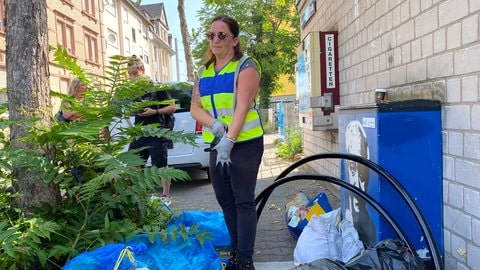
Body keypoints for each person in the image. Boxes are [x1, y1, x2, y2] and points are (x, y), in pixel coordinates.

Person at [190, 15, 264, 270]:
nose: (215, 40)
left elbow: (242, 108)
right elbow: (194, 108)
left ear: (234, 40)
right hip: (216, 142)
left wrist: (229, 141)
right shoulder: (203, 71)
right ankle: (235, 253)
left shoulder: (246, 66)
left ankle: (244, 260)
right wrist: (213, 124)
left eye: (222, 35)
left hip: (245, 143)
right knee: (226, 201)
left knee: (243, 199)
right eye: (211, 35)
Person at [127, 55, 176, 205]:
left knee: (161, 165)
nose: (132, 77)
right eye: (129, 74)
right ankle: (140, 195)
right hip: (139, 132)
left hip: (157, 132)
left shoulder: (156, 87)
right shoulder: (132, 91)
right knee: (133, 163)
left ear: (142, 70)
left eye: (134, 73)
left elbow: (172, 107)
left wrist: (154, 112)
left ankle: (166, 196)